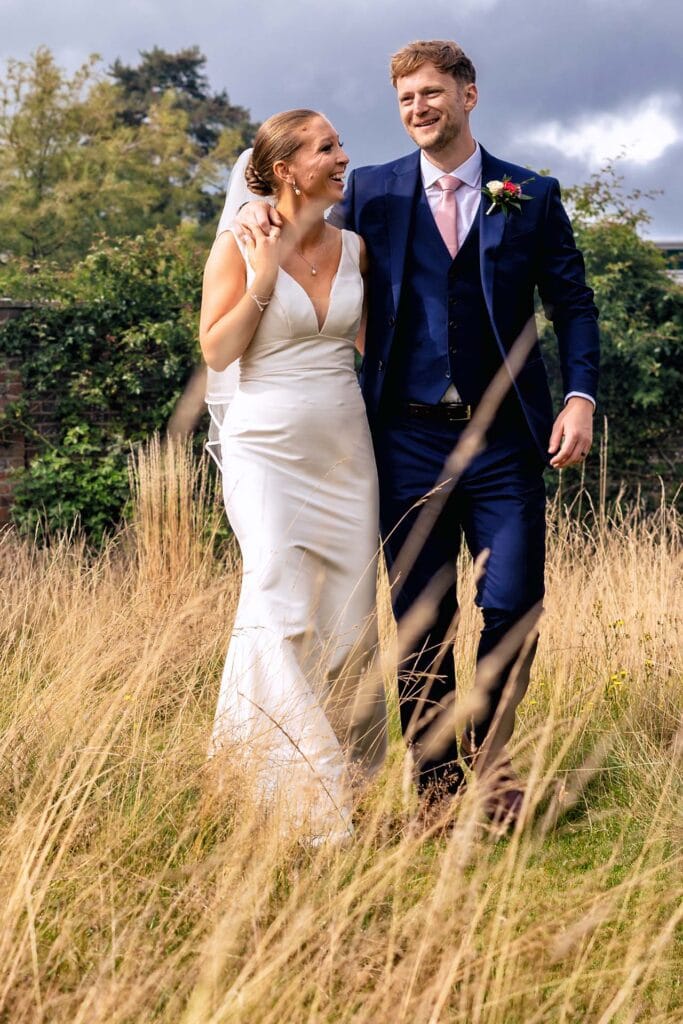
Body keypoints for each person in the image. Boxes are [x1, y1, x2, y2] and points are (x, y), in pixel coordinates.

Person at [232, 39, 600, 827]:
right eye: (404, 99)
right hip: (403, 439)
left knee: (513, 603)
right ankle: (434, 789)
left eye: (431, 93)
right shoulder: (370, 191)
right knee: (421, 615)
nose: (416, 109)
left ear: (469, 95)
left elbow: (573, 304)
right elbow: (301, 225)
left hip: (506, 441)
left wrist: (578, 396)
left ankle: (493, 767)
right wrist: (264, 205)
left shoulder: (528, 194)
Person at [201, 109, 387, 844]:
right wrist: (263, 277)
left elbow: (374, 346)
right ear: (286, 168)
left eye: (341, 142)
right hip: (265, 447)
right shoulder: (240, 242)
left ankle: (353, 782)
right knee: (279, 603)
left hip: (345, 449)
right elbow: (217, 353)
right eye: (327, 148)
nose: (344, 156)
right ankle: (298, 804)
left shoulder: (356, 249)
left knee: (348, 622)